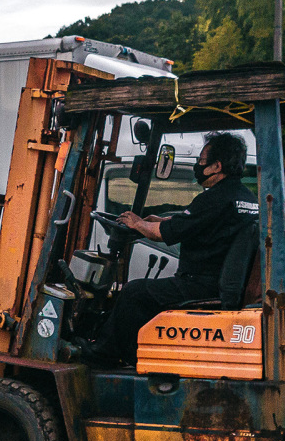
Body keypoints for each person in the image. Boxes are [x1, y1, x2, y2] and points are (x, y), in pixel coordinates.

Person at [86, 131, 260, 366]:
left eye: (201, 161)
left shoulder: (213, 199)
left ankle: (103, 353)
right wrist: (156, 220)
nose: (199, 166)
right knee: (145, 293)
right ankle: (131, 352)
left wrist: (138, 224)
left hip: (200, 284)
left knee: (134, 292)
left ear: (216, 166)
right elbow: (196, 225)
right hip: (220, 279)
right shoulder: (245, 198)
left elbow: (162, 235)